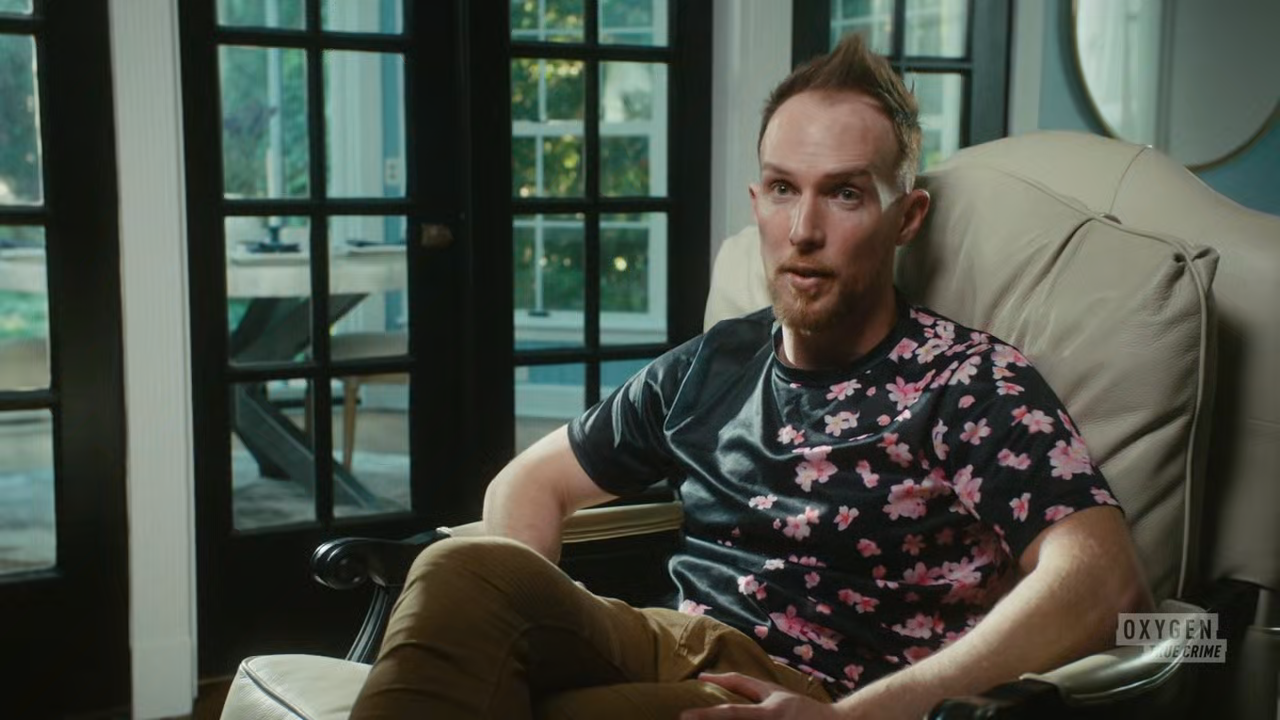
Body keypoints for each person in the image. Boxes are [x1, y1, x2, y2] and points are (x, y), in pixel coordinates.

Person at [350, 34, 1153, 720]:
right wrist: (539, 623)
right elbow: (529, 481)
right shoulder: (713, 364)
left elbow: (1105, 584)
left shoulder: (968, 382)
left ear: (906, 218)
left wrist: (853, 719)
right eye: (782, 189)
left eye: (844, 194)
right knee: (456, 570)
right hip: (668, 641)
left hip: (818, 691)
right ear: (757, 201)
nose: (802, 230)